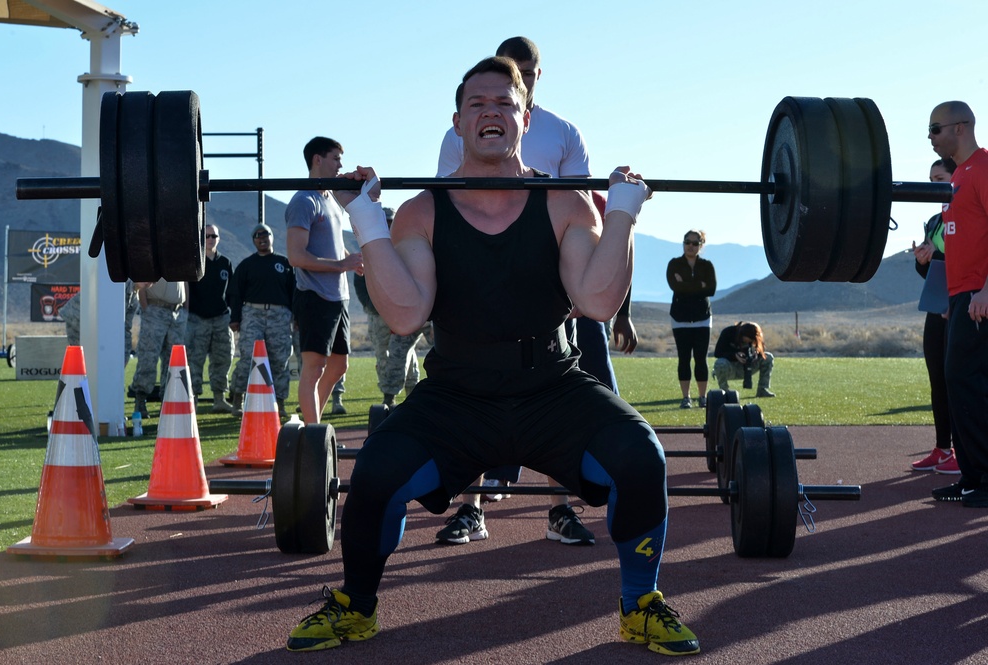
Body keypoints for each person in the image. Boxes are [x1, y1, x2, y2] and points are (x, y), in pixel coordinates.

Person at [285, 56, 699, 656]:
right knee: (377, 470)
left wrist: (624, 215)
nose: (491, 113)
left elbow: (598, 301)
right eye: (477, 104)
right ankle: (356, 606)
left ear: (525, 118)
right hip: (458, 393)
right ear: (458, 122)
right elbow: (405, 314)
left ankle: (641, 606)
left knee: (642, 458)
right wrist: (366, 219)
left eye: (504, 103)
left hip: (554, 388)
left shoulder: (565, 204)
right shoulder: (421, 212)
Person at [435, 36, 630, 546]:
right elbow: (445, 201)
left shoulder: (564, 132)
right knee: (473, 378)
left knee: (554, 383)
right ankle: (470, 509)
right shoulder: (463, 127)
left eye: (524, 73)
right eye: (505, 74)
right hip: (477, 275)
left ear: (537, 79)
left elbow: (583, 207)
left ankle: (559, 509)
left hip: (546, 274)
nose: (513, 82)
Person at [927, 101, 988, 507]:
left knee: (966, 382)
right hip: (959, 297)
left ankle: (982, 481)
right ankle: (971, 478)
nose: (930, 137)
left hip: (979, 295)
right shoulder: (959, 176)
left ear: (961, 127)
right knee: (958, 383)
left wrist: (987, 289)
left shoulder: (983, 168)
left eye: (935, 128)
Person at [285, 136, 364, 423]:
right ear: (318, 160)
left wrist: (350, 259)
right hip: (314, 296)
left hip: (338, 297)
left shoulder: (330, 199)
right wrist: (342, 263)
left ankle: (313, 427)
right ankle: (313, 433)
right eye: (335, 159)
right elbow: (296, 256)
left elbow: (329, 244)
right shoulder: (303, 201)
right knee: (314, 368)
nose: (340, 165)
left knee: (339, 366)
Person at [910, 159, 959, 473]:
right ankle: (943, 448)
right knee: (937, 379)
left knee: (960, 379)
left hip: (963, 305)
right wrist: (923, 260)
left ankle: (965, 451)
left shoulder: (971, 212)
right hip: (936, 306)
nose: (933, 186)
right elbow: (929, 272)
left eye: (939, 178)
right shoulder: (933, 220)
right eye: (930, 180)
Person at [353, 206, 429, 406]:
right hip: (379, 315)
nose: (388, 225)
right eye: (384, 221)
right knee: (386, 356)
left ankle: (413, 394)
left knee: (407, 354)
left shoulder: (409, 244)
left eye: (390, 221)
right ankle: (390, 399)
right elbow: (361, 282)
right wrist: (376, 306)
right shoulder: (370, 248)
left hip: (409, 312)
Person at [229, 223, 295, 418]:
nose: (261, 238)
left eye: (265, 234)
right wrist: (235, 319)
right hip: (252, 315)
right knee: (248, 359)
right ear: (253, 241)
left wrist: (296, 317)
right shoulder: (247, 265)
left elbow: (295, 293)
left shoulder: (284, 263)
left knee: (279, 360)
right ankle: (238, 400)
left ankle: (279, 403)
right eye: (257, 236)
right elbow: (234, 294)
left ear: (272, 237)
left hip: (279, 316)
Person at [186, 223, 235, 414]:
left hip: (221, 319)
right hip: (197, 319)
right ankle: (194, 399)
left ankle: (219, 398)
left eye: (214, 236)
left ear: (219, 239)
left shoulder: (225, 263)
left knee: (222, 359)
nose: (210, 240)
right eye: (207, 236)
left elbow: (232, 292)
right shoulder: (195, 261)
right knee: (194, 360)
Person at [667, 229, 716, 409]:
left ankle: (702, 397)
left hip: (703, 318)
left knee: (701, 359)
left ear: (701, 245)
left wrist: (685, 284)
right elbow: (675, 287)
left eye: (695, 243)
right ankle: (686, 397)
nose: (690, 246)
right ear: (683, 243)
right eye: (687, 242)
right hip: (679, 319)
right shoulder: (674, 264)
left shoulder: (707, 265)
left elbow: (711, 289)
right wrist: (698, 285)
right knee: (684, 358)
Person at [130, 278, 187, 418]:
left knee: (174, 361)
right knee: (148, 357)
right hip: (155, 309)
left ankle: (168, 401)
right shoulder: (155, 256)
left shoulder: (181, 260)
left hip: (177, 312)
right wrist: (146, 308)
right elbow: (143, 283)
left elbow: (185, 283)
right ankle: (140, 400)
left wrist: (186, 309)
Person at [62, 280, 139, 367]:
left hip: (92, 322)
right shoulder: (120, 283)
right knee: (84, 363)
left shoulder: (134, 299)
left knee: (91, 365)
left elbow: (125, 328)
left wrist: (125, 354)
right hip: (79, 317)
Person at [712, 321, 775, 397]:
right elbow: (717, 353)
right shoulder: (728, 332)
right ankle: (724, 392)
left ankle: (762, 390)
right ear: (742, 334)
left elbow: (762, 351)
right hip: (730, 367)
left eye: (751, 341)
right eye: (747, 340)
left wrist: (756, 354)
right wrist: (735, 355)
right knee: (720, 363)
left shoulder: (755, 339)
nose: (748, 342)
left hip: (748, 367)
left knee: (768, 357)